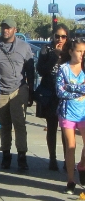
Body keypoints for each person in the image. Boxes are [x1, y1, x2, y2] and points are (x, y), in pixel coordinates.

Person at [0, 17, 35, 171]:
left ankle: (22, 155)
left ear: (15, 30)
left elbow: (30, 71)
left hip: (19, 90)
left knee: (19, 124)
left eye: (9, 28)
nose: (5, 30)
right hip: (1, 90)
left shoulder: (24, 47)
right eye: (3, 27)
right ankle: (6, 154)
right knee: (5, 125)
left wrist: (31, 92)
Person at [36, 25, 70, 170]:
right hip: (50, 94)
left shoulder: (70, 51)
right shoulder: (46, 49)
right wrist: (55, 56)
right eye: (57, 36)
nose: (60, 39)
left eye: (63, 37)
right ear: (53, 36)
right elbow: (41, 70)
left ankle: (67, 159)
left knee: (66, 129)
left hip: (66, 96)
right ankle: (52, 159)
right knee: (51, 127)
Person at [55, 37, 85, 194]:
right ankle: (71, 180)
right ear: (71, 51)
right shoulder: (64, 69)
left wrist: (71, 87)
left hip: (84, 112)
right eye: (79, 51)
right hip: (67, 112)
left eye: (84, 52)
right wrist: (79, 90)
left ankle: (81, 165)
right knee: (71, 146)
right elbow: (60, 91)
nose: (82, 55)